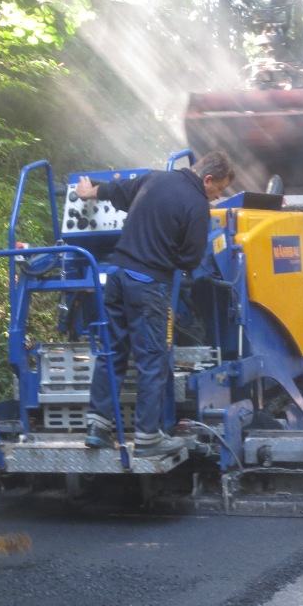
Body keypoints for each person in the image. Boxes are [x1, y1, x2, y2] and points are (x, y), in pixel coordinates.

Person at [76, 152, 235, 457]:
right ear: (208, 179)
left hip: (117, 277)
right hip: (148, 286)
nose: (217, 196)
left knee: (112, 351)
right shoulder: (197, 205)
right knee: (152, 359)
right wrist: (169, 257)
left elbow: (115, 190)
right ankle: (148, 437)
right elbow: (190, 259)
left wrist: (88, 191)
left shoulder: (153, 179)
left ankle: (97, 427)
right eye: (219, 189)